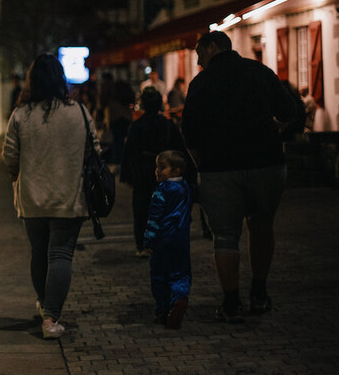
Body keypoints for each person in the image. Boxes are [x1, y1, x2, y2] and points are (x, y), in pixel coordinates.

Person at [182, 31, 297, 323]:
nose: (198, 62)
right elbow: (289, 111)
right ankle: (259, 293)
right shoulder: (259, 71)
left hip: (220, 168)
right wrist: (277, 134)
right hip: (266, 163)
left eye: (199, 55)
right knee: (261, 225)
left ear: (212, 47)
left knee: (225, 235)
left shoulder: (201, 83)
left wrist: (201, 165)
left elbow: (190, 133)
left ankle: (231, 303)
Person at [2, 53, 96, 340]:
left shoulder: (21, 115)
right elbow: (95, 151)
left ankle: (45, 305)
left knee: (39, 254)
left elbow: (9, 156)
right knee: (60, 255)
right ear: (61, 80)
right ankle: (50, 316)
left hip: (32, 196)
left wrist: (19, 174)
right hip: (69, 196)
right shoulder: (78, 112)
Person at [120, 87, 195, 257]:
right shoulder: (167, 125)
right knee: (166, 209)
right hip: (165, 171)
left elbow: (129, 151)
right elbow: (181, 149)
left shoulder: (137, 126)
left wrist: (127, 174)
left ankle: (142, 245)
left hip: (143, 172)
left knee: (141, 210)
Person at [143, 150, 193, 329]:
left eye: (162, 168)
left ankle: (163, 310)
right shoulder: (186, 188)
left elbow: (154, 218)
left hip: (163, 241)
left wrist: (148, 240)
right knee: (180, 272)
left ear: (176, 171)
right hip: (181, 240)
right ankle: (179, 298)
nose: (157, 171)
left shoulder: (161, 191)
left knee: (159, 275)